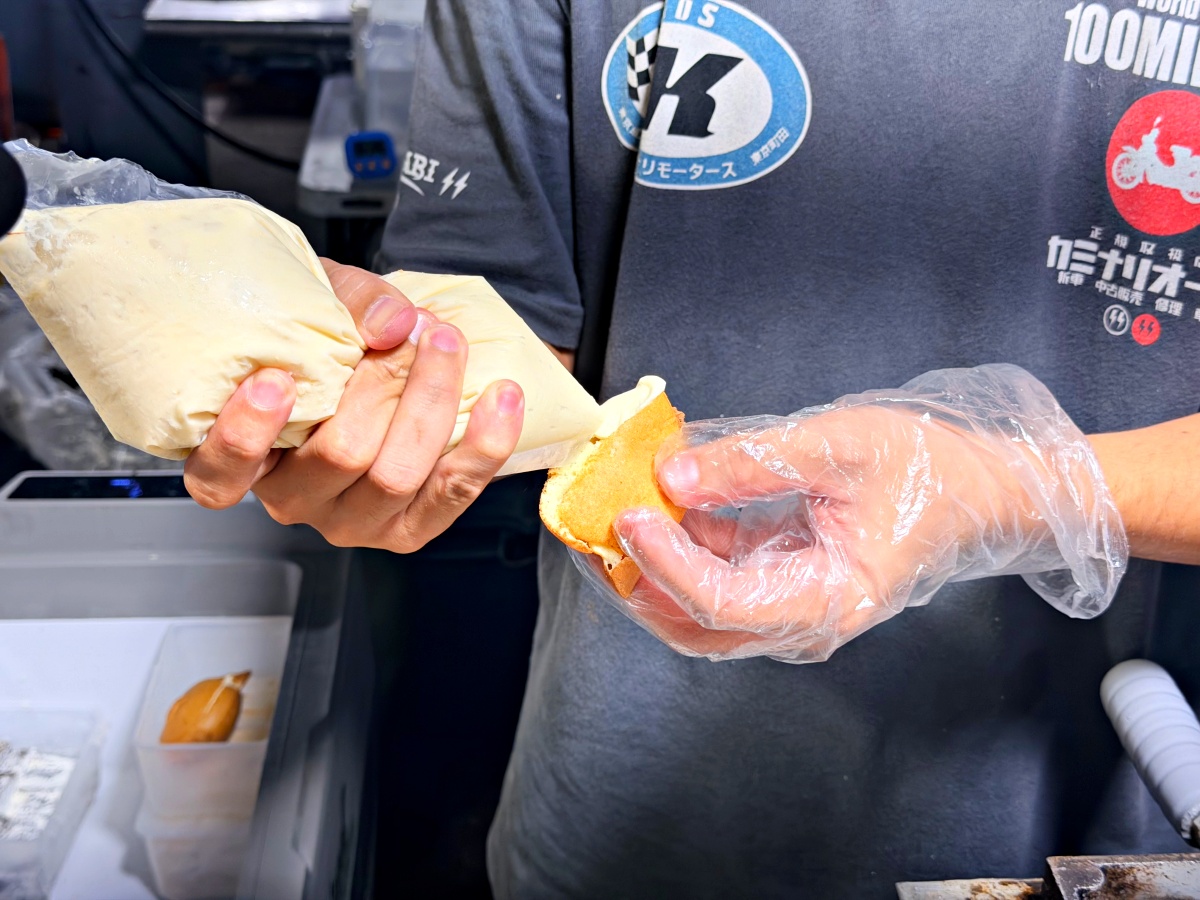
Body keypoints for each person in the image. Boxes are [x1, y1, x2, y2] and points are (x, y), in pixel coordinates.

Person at [186, 1, 1200, 896]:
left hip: (1081, 829)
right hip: (632, 810)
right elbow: (496, 350)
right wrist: (379, 413)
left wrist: (1011, 484)